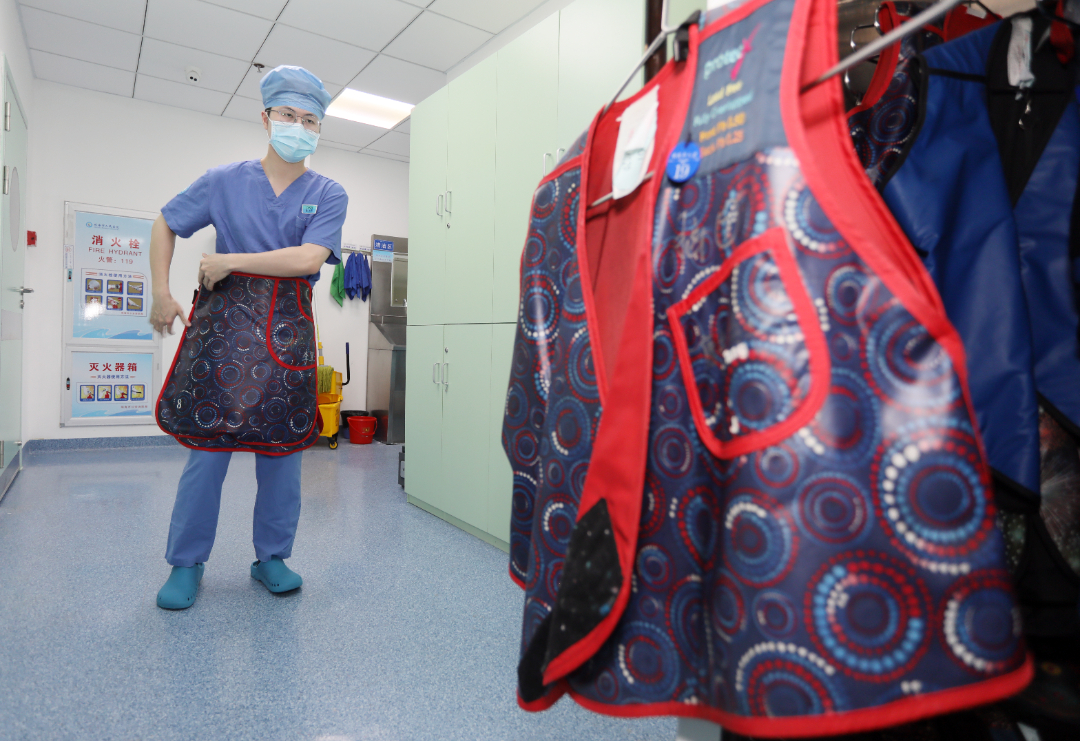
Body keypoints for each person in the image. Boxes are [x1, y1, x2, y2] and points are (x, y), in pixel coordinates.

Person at [149, 65, 347, 610]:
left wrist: (231, 259)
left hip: (286, 334)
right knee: (207, 452)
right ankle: (186, 563)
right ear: (265, 118)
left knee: (283, 450)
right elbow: (166, 222)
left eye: (310, 120)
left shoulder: (328, 193)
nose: (298, 127)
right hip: (224, 331)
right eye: (288, 115)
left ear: (319, 129)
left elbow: (309, 259)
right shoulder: (223, 181)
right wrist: (161, 293)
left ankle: (272, 558)